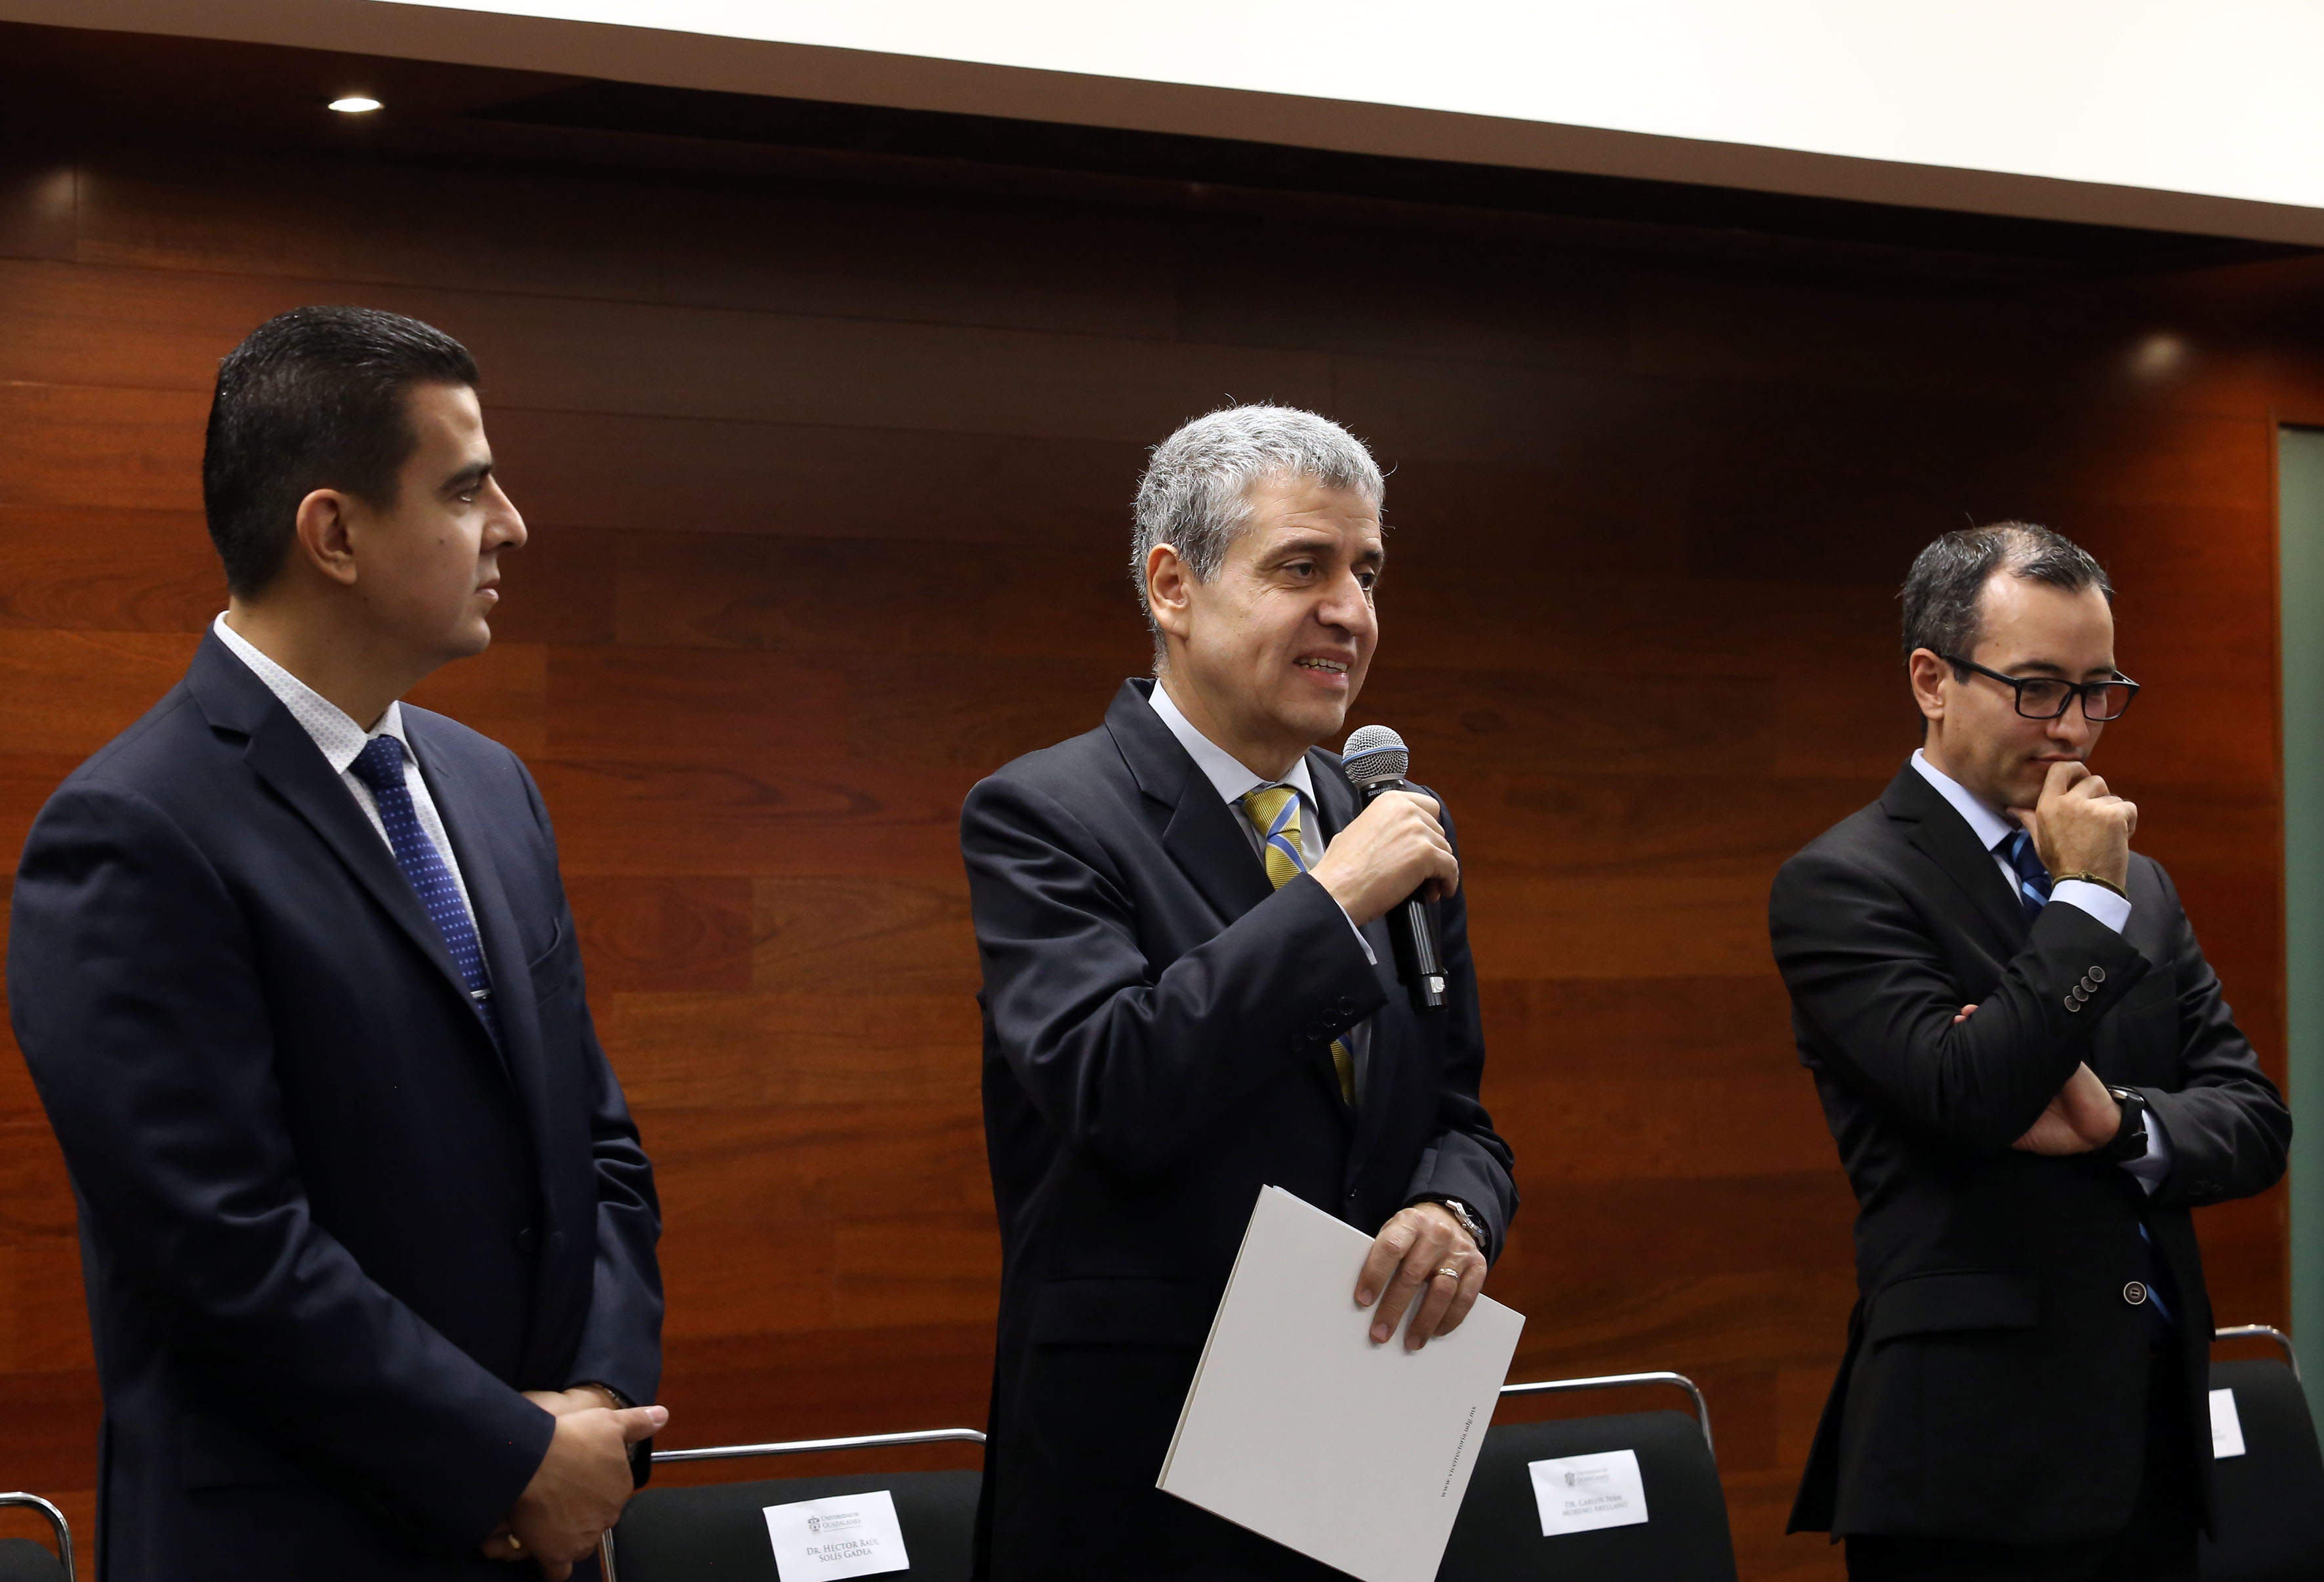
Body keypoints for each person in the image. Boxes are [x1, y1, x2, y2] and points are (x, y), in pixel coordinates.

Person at [8, 307, 666, 1581]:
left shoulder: (492, 787)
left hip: (538, 1532)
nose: (511, 525)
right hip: (296, 1540)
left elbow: (599, 1151)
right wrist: (503, 1457)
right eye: (466, 489)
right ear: (335, 534)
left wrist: (594, 1409)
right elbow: (223, 1248)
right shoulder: (133, 828)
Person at [960, 405, 1518, 1579]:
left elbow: (1459, 1117)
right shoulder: (1045, 815)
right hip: (1139, 1474)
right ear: (1174, 587)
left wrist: (1455, 1211)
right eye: (1302, 568)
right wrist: (1331, 900)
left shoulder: (1392, 824)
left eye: (1367, 572)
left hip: (1359, 1446)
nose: (1351, 613)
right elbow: (1115, 1087)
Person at [1770, 522, 2291, 1581]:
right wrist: (2085, 899)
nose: (2076, 729)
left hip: (2153, 1439)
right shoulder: (1845, 881)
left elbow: (2252, 1120)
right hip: (1971, 1462)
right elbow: (1970, 1096)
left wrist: (2124, 1125)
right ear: (1933, 680)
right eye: (2039, 689)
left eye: (2100, 691)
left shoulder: (2142, 882)